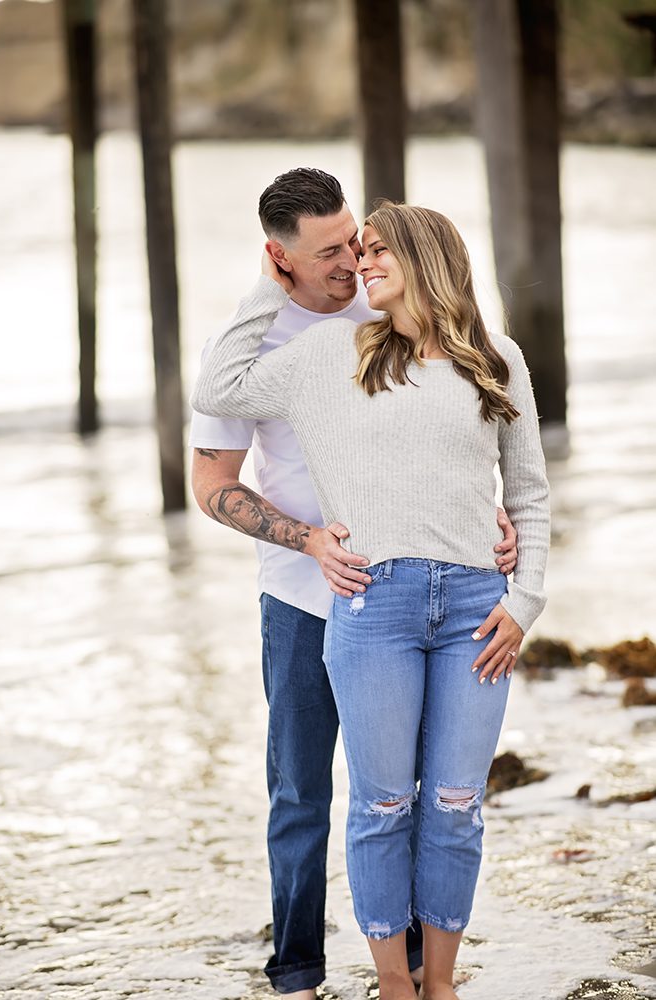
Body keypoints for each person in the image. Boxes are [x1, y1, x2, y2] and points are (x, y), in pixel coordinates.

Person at [189, 172, 519, 998]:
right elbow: (210, 483)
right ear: (280, 258)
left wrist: (484, 510)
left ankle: (408, 969)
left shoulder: (383, 310)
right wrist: (306, 540)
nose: (350, 262)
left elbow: (458, 420)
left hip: (408, 593)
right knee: (302, 794)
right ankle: (297, 972)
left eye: (355, 241)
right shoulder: (253, 344)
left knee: (410, 794)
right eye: (328, 252)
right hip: (302, 599)